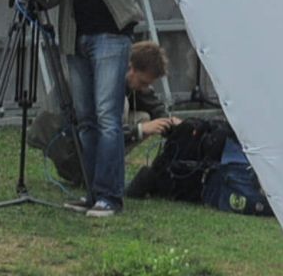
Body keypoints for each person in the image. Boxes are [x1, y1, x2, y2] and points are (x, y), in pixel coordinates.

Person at [12, 0, 145, 219]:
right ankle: (92, 194)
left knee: (106, 116)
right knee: (84, 119)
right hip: (76, 37)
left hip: (111, 33)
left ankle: (110, 197)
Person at [33, 40, 177, 192]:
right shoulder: (102, 80)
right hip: (65, 145)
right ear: (130, 67)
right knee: (125, 109)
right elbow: (102, 130)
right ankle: (91, 173)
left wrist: (169, 121)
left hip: (80, 134)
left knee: (144, 117)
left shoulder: (121, 72)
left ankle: (102, 169)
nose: (144, 88)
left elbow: (151, 102)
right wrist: (139, 130)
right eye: (143, 82)